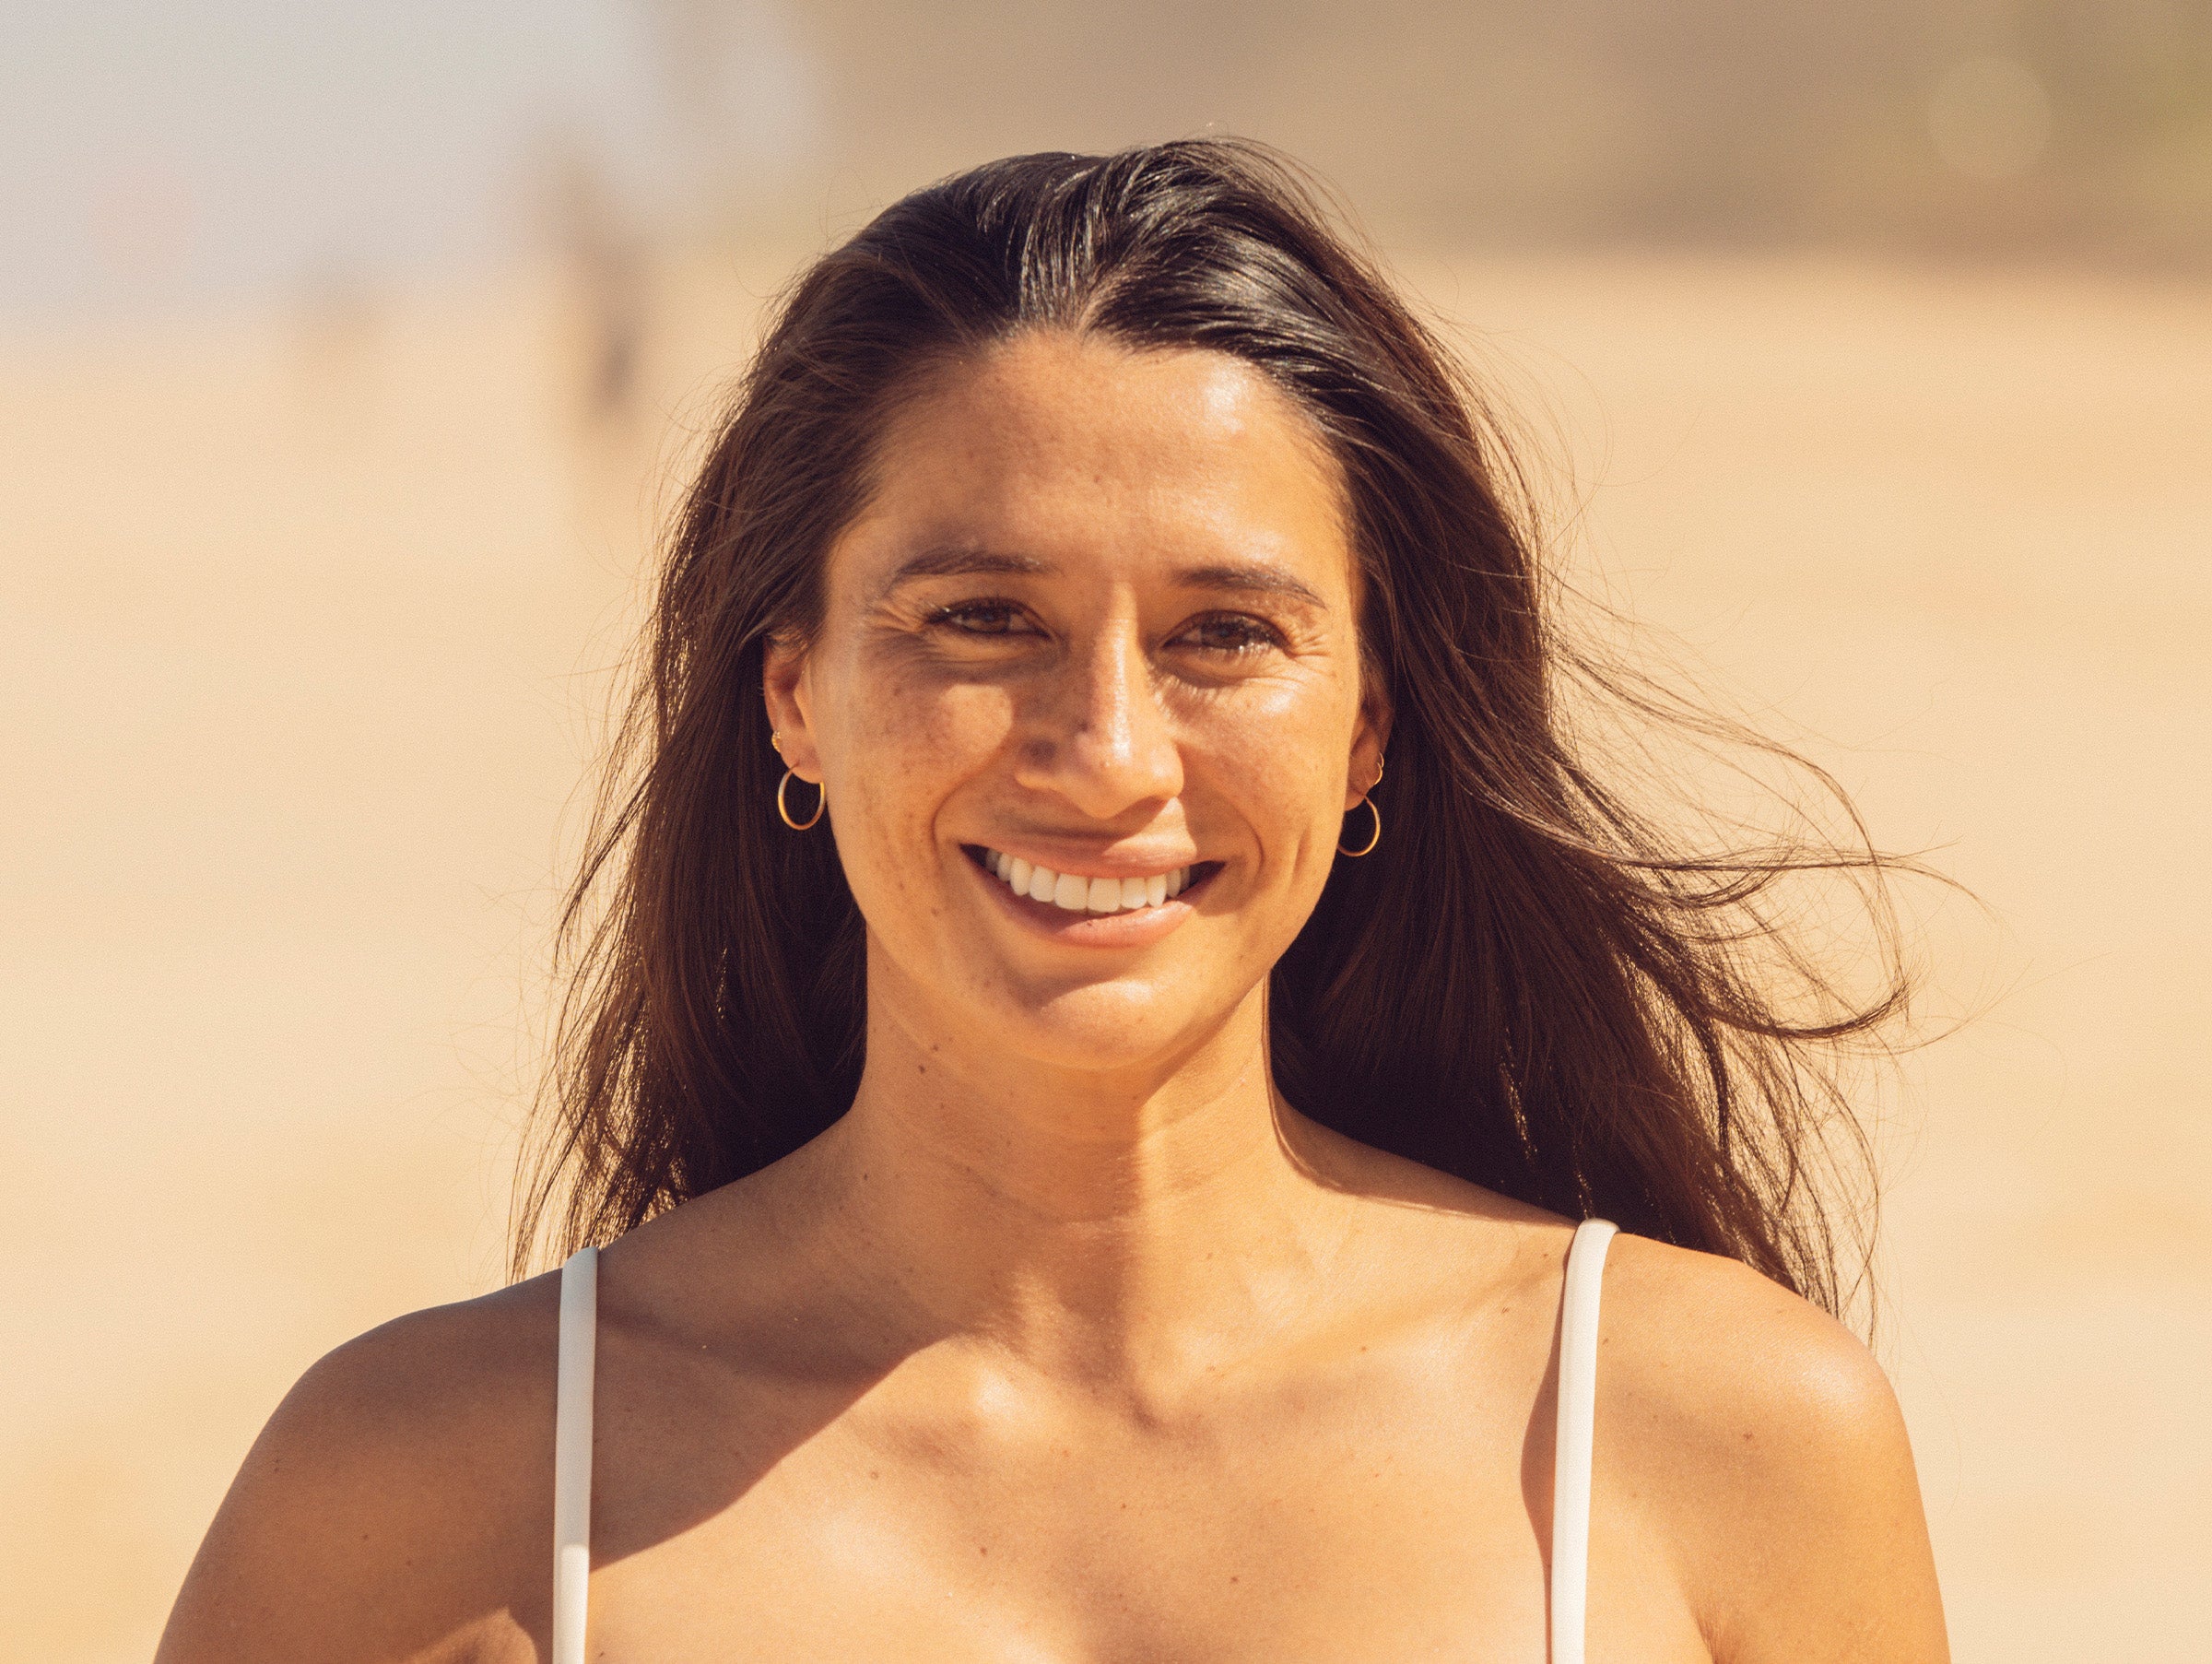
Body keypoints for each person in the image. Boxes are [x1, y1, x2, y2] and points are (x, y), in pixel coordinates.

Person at [157, 141, 1947, 1663]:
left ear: (1369, 725)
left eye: (1223, 637)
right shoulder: (425, 1493)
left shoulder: (1715, 1439)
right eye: (982, 619)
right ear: (793, 692)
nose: (1105, 754)